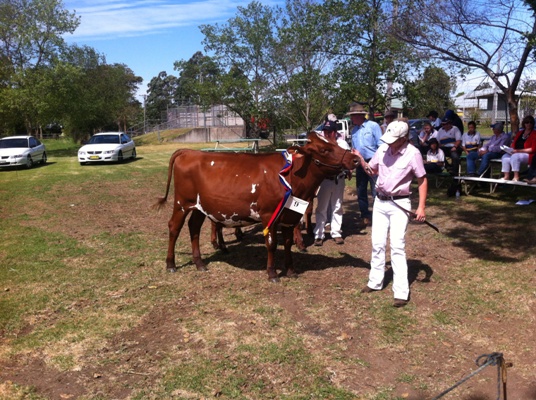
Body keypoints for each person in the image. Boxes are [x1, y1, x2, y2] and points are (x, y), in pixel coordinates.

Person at [354, 120, 427, 308]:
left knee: (397, 246)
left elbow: (422, 179)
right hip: (380, 202)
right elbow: (373, 169)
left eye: (393, 140)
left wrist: (421, 207)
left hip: (400, 204)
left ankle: (401, 291)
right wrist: (361, 159)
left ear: (403, 139)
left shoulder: (413, 154)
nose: (389, 143)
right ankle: (375, 282)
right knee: (377, 243)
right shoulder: (383, 150)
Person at [313, 120, 350, 246]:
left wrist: (347, 170)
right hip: (324, 179)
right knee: (321, 207)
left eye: (330, 132)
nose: (327, 134)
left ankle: (336, 232)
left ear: (335, 132)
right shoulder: (321, 145)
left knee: (337, 206)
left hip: (338, 178)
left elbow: (347, 161)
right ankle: (319, 233)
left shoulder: (342, 144)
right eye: (325, 131)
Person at [347, 103, 383, 228]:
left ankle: (379, 216)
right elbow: (354, 149)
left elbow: (381, 145)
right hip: (360, 164)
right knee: (361, 191)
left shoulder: (373, 126)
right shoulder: (354, 130)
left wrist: (378, 163)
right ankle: (365, 216)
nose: (352, 119)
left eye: (353, 116)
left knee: (375, 190)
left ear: (360, 115)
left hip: (373, 162)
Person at [501, 115, 536, 181]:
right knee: (505, 157)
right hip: (515, 152)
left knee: (515, 157)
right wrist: (509, 149)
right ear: (524, 123)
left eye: (530, 122)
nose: (528, 124)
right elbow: (514, 144)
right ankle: (506, 176)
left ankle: (516, 176)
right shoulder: (520, 133)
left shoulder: (534, 134)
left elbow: (533, 149)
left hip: (527, 154)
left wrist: (517, 151)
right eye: (527, 122)